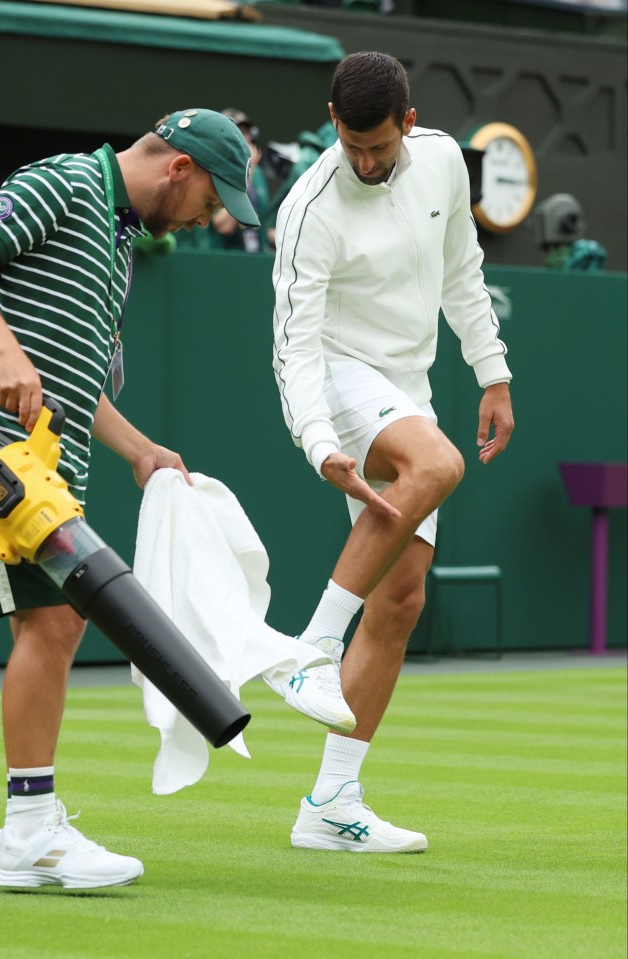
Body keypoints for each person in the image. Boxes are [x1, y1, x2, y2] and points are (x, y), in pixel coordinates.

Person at [0, 108, 350, 893]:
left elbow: (74, 379)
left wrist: (140, 448)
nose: (207, 220)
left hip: (46, 456)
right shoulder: (66, 181)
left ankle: (33, 828)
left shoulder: (117, 244)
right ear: (177, 168)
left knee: (60, 621)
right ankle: (27, 835)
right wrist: (6, 351)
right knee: (53, 623)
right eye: (211, 201)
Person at [269, 52, 514, 853]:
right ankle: (308, 650)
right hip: (337, 374)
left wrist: (493, 371)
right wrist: (319, 444)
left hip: (408, 382)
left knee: (402, 597)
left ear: (408, 123)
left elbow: (462, 273)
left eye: (377, 146)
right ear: (332, 122)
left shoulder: (443, 161)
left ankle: (331, 802)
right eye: (350, 145)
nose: (364, 162)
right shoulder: (309, 206)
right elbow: (293, 348)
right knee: (437, 466)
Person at [175, 108, 272, 252]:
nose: (244, 140)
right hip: (219, 257)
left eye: (246, 133)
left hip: (254, 258)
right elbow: (223, 225)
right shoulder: (212, 169)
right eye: (237, 133)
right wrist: (248, 173)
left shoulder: (257, 173)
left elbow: (264, 225)